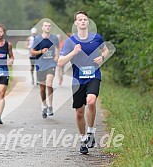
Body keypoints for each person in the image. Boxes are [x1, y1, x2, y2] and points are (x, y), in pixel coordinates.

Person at [58, 11, 109, 154]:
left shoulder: (96, 38)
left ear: (88, 22)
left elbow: (105, 50)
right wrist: (73, 53)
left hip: (94, 76)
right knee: (79, 112)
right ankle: (83, 139)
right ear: (76, 23)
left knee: (91, 101)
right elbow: (60, 62)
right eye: (79, 20)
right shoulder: (70, 41)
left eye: (85, 19)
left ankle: (91, 132)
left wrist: (102, 58)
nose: (82, 22)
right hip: (78, 80)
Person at [31, 21, 59, 118]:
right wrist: (41, 51)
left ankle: (50, 105)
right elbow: (32, 52)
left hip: (51, 64)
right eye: (45, 26)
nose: (47, 27)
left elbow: (57, 48)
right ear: (42, 28)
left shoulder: (54, 38)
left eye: (49, 26)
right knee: (42, 88)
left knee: (49, 84)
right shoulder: (37, 39)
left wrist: (57, 56)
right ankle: (44, 105)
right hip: (40, 64)